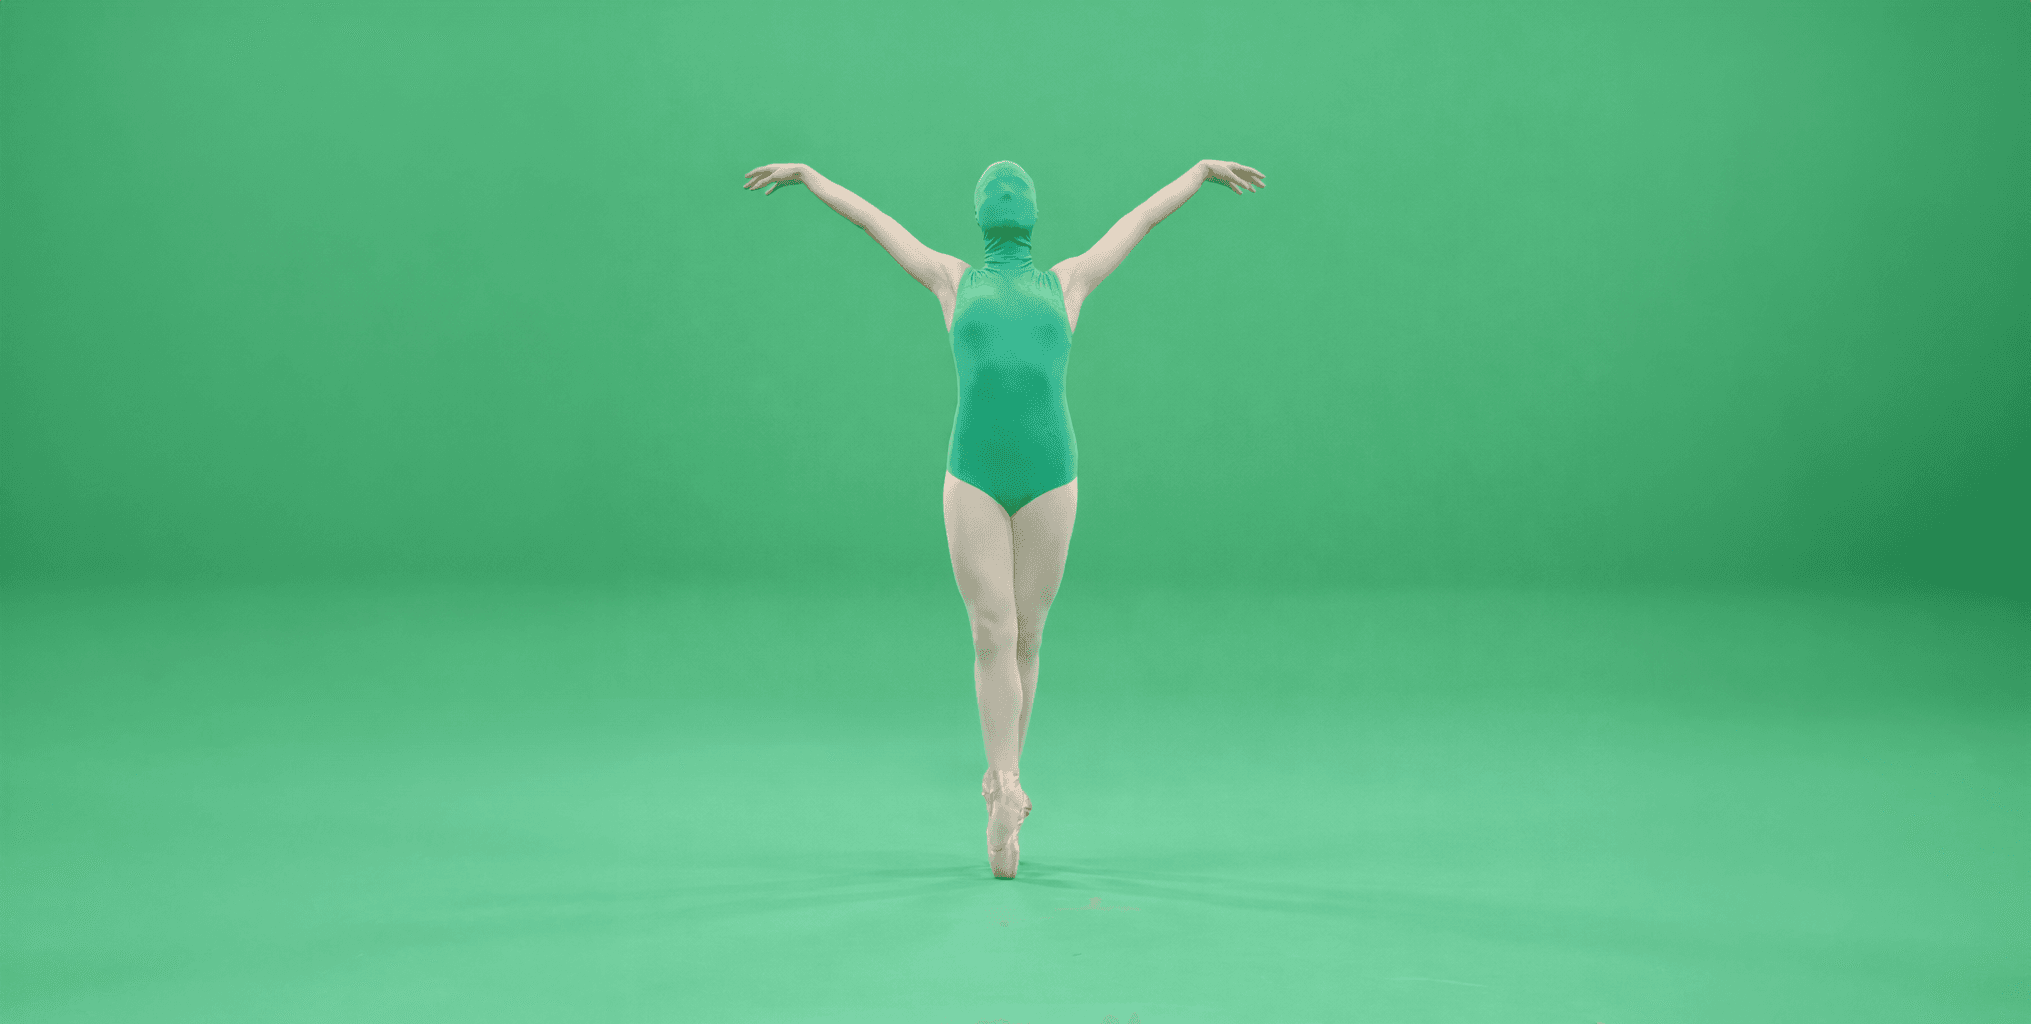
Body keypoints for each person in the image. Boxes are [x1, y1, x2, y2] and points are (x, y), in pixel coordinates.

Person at [741, 157, 1267, 878]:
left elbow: (1141, 220)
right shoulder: (954, 278)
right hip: (975, 479)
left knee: (1023, 635)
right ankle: (1007, 786)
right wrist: (811, 177)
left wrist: (1197, 173)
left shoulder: (1066, 279)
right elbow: (873, 222)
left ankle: (1003, 785)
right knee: (993, 632)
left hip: (1050, 479)